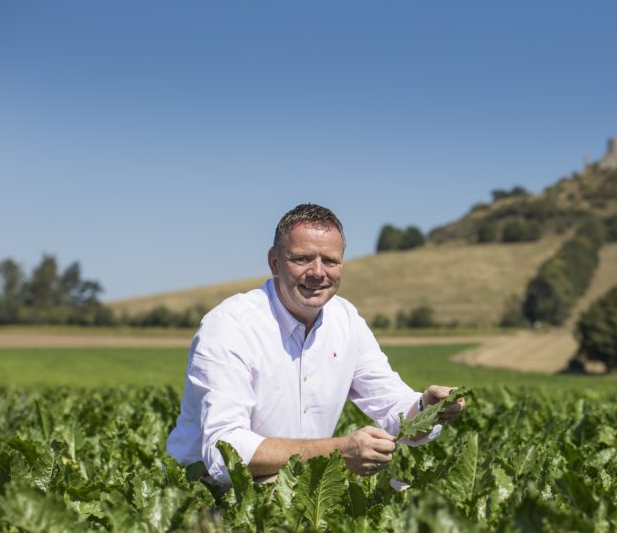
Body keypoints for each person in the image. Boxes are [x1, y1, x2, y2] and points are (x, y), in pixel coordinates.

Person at [166, 203, 464, 484]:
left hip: (298, 484)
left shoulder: (346, 321)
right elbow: (223, 452)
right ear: (275, 262)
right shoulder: (231, 326)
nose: (318, 272)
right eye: (302, 258)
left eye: (330, 261)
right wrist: (339, 450)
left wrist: (427, 408)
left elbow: (391, 406)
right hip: (210, 491)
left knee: (418, 513)